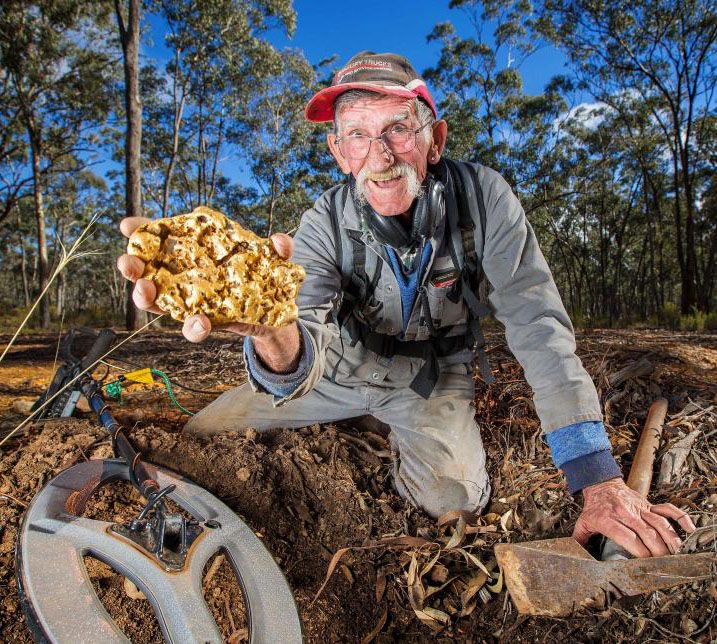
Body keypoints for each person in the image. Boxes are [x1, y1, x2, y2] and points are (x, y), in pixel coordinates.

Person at [118, 51, 695, 558]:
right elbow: (306, 329)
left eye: (399, 129)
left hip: (432, 377)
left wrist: (596, 477)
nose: (380, 155)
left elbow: (538, 324)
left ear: (434, 140)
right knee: (199, 436)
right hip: (337, 367)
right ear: (338, 151)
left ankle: (393, 428)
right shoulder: (322, 223)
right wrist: (270, 330)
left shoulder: (483, 199)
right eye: (359, 136)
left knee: (455, 499)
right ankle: (352, 413)